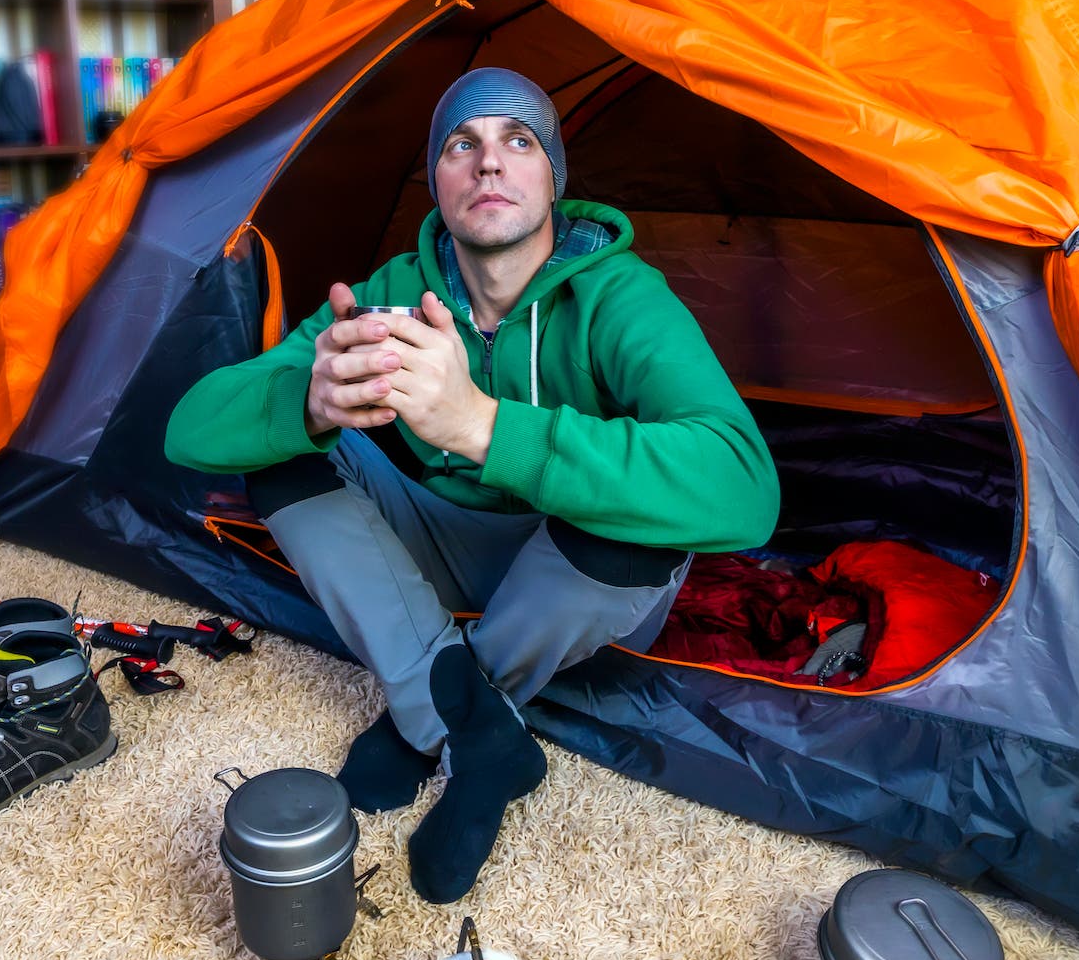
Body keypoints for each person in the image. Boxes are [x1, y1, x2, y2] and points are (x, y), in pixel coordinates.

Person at [165, 66, 778, 903]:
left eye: (518, 141)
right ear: (439, 181)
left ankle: (425, 714)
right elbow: (190, 428)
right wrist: (306, 398)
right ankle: (480, 736)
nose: (490, 163)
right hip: (441, 532)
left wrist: (485, 428)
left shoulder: (620, 297)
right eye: (463, 145)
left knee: (649, 508)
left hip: (571, 571)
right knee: (275, 443)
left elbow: (746, 486)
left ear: (552, 178)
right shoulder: (389, 294)